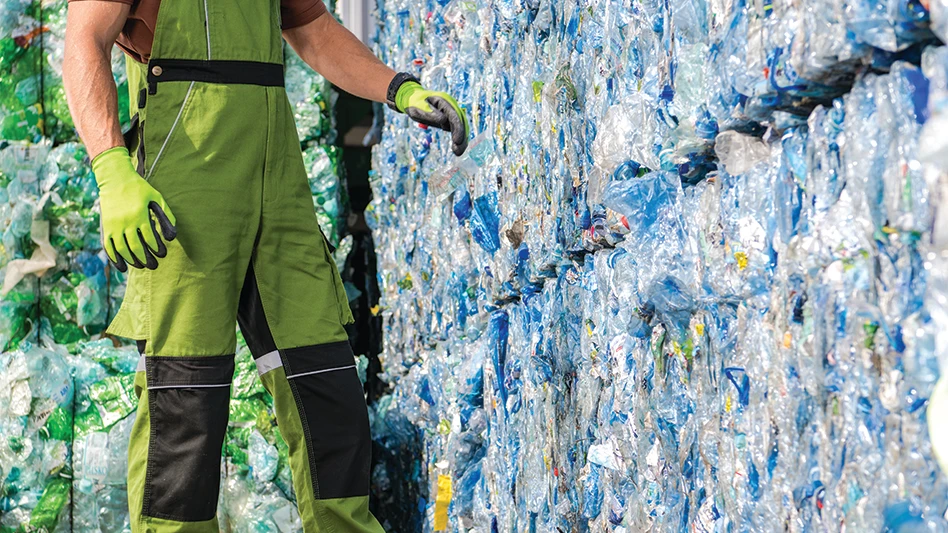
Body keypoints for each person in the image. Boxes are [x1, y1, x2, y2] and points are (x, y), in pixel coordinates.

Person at [62, 1, 468, 531]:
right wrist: (111, 169)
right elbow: (83, 42)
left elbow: (313, 30)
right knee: (187, 406)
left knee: (328, 392)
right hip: (185, 182)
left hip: (278, 186)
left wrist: (400, 89)